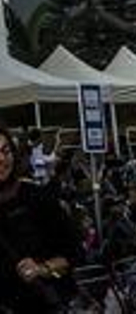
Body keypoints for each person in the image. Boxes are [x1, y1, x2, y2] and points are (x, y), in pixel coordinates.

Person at [0, 127, 83, 313]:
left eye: (5, 151)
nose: (1, 159)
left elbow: (75, 252)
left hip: (46, 303)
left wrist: (43, 268)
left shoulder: (37, 197)